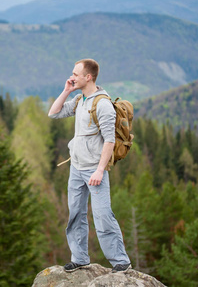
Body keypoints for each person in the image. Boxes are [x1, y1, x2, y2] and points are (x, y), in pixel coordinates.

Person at [48, 59, 131, 273]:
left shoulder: (102, 104)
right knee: (75, 214)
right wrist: (66, 90)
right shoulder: (79, 99)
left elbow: (110, 141)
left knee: (103, 215)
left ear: (89, 77)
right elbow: (54, 113)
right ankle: (80, 258)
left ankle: (120, 261)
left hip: (95, 170)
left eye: (76, 74)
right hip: (76, 168)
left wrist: (100, 170)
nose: (72, 76)